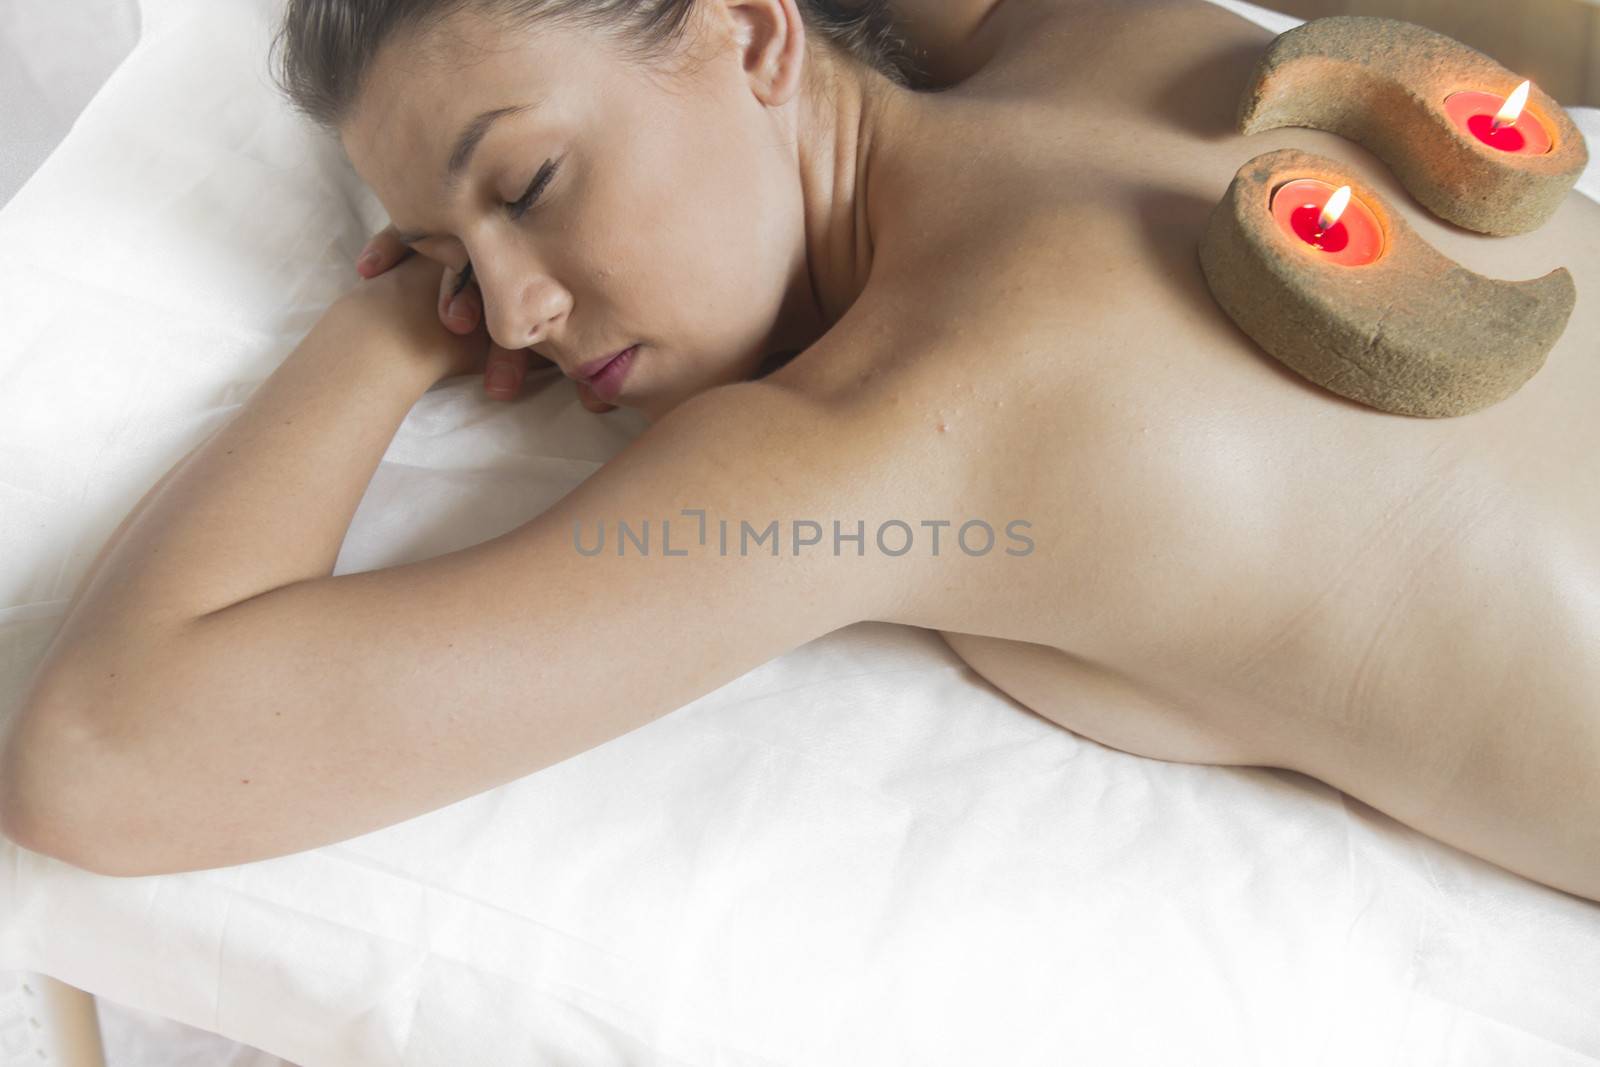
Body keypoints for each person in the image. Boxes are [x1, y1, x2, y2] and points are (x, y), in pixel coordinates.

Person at [10, 0, 1596, 895]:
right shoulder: (1104, 36)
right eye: (435, 260)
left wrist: (366, 343)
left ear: (756, 34)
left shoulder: (887, 442)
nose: (511, 308)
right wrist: (425, 293)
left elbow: (104, 763)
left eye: (530, 184)